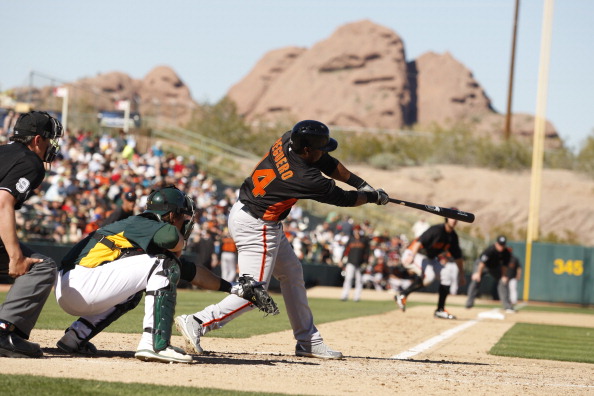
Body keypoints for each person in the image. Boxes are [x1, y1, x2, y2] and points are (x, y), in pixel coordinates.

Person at [174, 119, 389, 359]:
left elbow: (326, 162)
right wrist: (370, 197)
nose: (323, 152)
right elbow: (345, 199)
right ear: (307, 150)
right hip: (258, 225)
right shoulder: (305, 178)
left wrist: (362, 185)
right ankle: (198, 321)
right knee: (254, 293)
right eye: (319, 147)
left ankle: (308, 341)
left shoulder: (289, 138)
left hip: (250, 213)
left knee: (292, 274)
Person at [54, 186, 265, 363]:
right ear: (172, 215)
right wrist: (180, 239)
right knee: (165, 262)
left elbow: (189, 272)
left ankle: (74, 337)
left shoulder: (142, 228)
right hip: (82, 282)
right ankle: (155, 344)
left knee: (141, 285)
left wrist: (234, 288)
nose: (186, 221)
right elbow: (172, 238)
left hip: (74, 285)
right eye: (183, 216)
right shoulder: (147, 223)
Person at [0, 111, 63, 358]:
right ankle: (3, 332)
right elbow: (3, 202)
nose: (51, 146)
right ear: (38, 140)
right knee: (42, 267)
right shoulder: (31, 162)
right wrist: (16, 256)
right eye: (49, 140)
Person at [394, 215, 465, 319]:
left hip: (428, 258)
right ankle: (402, 294)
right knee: (430, 276)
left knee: (446, 275)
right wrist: (411, 256)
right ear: (446, 218)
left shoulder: (453, 237)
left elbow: (458, 258)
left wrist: (462, 274)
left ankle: (440, 310)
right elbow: (419, 242)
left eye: (456, 218)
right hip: (413, 253)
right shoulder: (436, 230)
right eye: (452, 217)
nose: (454, 220)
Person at [465, 235, 514, 312]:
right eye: (500, 245)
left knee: (503, 282)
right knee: (476, 280)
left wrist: (504, 276)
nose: (501, 247)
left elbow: (504, 266)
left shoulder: (506, 252)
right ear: (496, 244)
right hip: (482, 266)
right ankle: (469, 303)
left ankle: (507, 305)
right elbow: (482, 263)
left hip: (494, 268)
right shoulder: (490, 250)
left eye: (503, 245)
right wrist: (478, 274)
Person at [340, 225, 371, 302]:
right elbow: (346, 250)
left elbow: (367, 252)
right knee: (348, 279)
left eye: (358, 230)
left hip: (360, 263)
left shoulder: (364, 240)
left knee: (359, 280)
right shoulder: (351, 239)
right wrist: (341, 259)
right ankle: (344, 295)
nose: (356, 231)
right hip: (350, 262)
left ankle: (357, 297)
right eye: (355, 230)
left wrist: (366, 262)